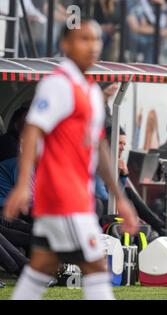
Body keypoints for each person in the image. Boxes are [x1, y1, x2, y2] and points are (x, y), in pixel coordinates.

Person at [3, 19, 138, 300]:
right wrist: (20, 187)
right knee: (97, 266)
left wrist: (120, 198)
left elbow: (98, 147)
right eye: (84, 39)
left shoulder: (90, 89)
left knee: (40, 268)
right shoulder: (59, 85)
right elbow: (33, 130)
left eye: (96, 40)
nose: (92, 46)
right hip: (62, 197)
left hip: (77, 195)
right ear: (65, 45)